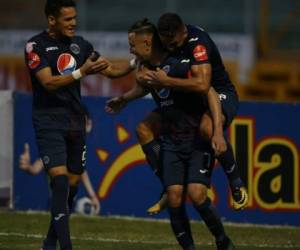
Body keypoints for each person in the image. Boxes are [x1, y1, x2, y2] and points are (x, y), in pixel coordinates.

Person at [106, 19, 234, 250]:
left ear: (147, 42)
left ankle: (223, 241)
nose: (130, 49)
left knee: (196, 194)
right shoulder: (144, 71)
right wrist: (123, 99)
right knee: (175, 196)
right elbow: (142, 83)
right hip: (172, 140)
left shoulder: (179, 63)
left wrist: (217, 131)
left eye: (132, 44)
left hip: (195, 138)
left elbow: (209, 91)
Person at [24, 1, 134, 249]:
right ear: (52, 20)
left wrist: (135, 64)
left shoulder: (81, 45)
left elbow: (111, 70)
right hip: (48, 119)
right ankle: (65, 246)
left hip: (75, 121)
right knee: (60, 181)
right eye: (67, 19)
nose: (74, 22)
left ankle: (49, 241)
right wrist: (81, 73)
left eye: (74, 18)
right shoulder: (35, 46)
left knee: (72, 187)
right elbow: (48, 82)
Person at [138, 13, 248, 213]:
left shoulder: (198, 43)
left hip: (219, 94)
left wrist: (166, 81)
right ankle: (167, 183)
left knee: (207, 129)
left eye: (175, 43)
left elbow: (203, 84)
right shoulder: (165, 41)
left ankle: (236, 182)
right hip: (189, 101)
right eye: (167, 44)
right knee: (144, 128)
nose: (172, 47)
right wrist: (125, 97)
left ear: (184, 33)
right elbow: (146, 66)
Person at [19, 107, 100, 214]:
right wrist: (27, 166)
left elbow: (82, 172)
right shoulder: (58, 146)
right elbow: (36, 169)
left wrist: (93, 196)